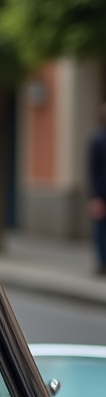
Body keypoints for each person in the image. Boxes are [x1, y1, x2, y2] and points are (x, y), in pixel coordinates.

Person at [90, 103, 106, 276]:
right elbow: (93, 170)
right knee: (101, 230)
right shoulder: (97, 140)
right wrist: (95, 196)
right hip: (101, 193)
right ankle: (102, 262)